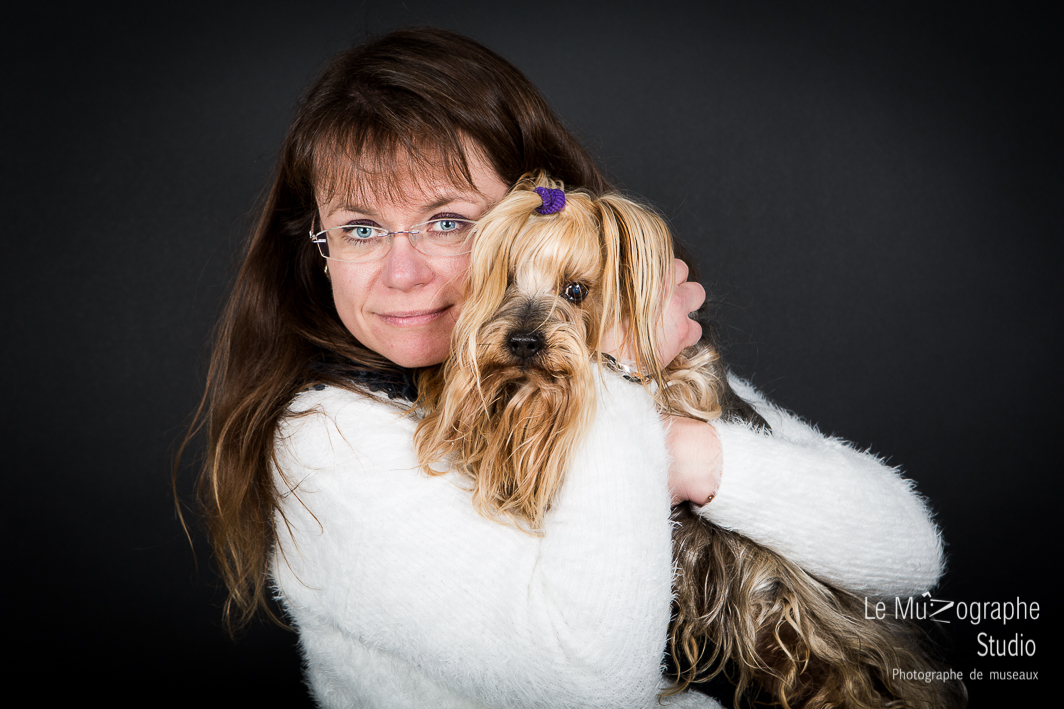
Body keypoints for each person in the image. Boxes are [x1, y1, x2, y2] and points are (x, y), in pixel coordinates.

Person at [190, 28, 943, 708]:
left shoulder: (645, 370)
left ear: (532, 217)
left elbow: (908, 555)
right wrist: (619, 378)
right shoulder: (326, 438)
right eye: (360, 229)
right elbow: (592, 683)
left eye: (448, 222)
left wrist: (691, 452)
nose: (403, 272)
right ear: (319, 248)